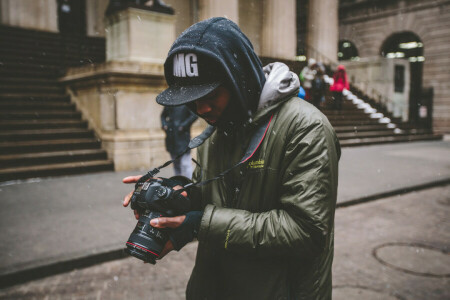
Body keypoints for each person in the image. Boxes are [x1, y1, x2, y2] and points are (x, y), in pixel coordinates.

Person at [123, 17, 340, 299]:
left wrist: (201, 223)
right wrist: (174, 197)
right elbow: (211, 199)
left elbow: (306, 231)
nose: (200, 108)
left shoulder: (306, 128)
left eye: (210, 94)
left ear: (240, 80)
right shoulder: (220, 126)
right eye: (190, 97)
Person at [160, 105, 198, 178]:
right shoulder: (169, 103)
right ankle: (178, 182)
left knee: (185, 164)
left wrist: (183, 126)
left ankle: (189, 183)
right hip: (171, 136)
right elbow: (163, 116)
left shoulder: (186, 102)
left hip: (183, 136)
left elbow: (194, 115)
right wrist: (165, 125)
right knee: (175, 163)